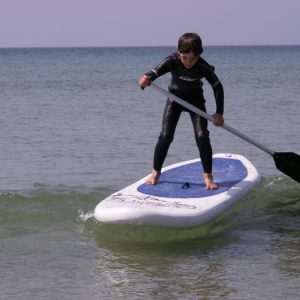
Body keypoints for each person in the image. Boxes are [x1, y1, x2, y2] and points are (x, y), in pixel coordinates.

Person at [138, 33, 224, 190]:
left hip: (195, 101)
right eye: (185, 58)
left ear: (199, 54)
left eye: (193, 58)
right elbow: (154, 73)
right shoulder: (172, 61)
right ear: (178, 51)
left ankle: (208, 176)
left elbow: (217, 86)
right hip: (174, 100)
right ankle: (155, 172)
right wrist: (145, 79)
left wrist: (219, 113)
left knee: (202, 135)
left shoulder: (203, 66)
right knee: (165, 135)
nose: (189, 62)